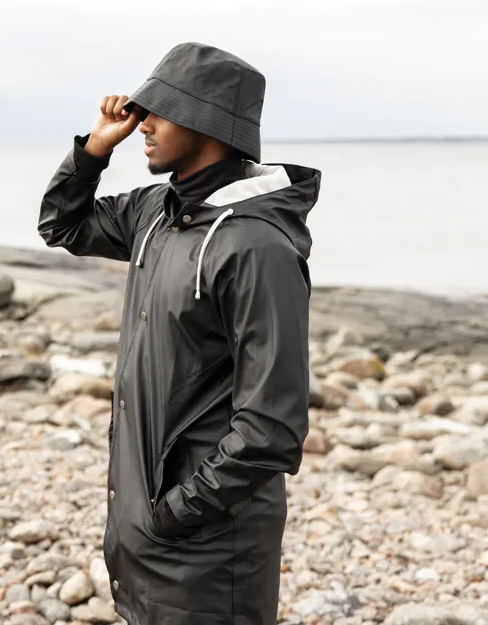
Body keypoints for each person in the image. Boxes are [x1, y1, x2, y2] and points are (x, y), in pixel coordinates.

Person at [38, 41, 321, 625]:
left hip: (206, 549)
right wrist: (95, 150)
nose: (143, 124)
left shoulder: (256, 246)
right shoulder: (158, 213)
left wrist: (174, 515)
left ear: (206, 120)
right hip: (149, 534)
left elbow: (272, 427)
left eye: (159, 111)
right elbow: (62, 224)